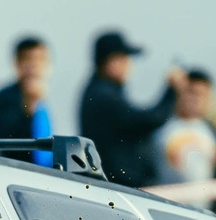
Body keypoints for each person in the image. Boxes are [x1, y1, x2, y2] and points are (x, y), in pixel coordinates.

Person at [77, 31, 187, 189]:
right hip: (118, 189)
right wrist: (171, 91)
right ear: (110, 61)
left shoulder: (100, 91)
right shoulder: (103, 95)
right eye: (123, 59)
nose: (129, 65)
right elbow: (149, 120)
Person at [0, 36, 55, 166]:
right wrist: (29, 107)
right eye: (28, 59)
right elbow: (7, 140)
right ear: (17, 63)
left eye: (40, 60)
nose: (34, 65)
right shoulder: (6, 96)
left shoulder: (42, 100)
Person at [154, 68, 216, 187]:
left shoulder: (213, 133)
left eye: (202, 94)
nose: (196, 99)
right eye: (191, 92)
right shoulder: (159, 127)